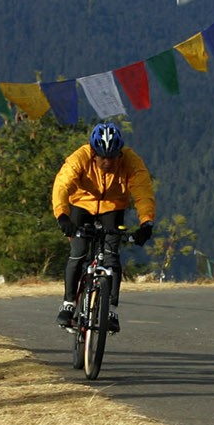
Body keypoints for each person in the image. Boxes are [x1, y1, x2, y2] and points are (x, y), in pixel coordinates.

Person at [52, 121, 156, 333]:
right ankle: (69, 303)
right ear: (93, 153)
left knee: (111, 256)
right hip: (81, 204)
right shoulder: (80, 157)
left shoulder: (131, 161)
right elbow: (62, 185)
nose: (106, 162)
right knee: (78, 252)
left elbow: (143, 192)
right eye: (102, 156)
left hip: (113, 207)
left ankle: (110, 309)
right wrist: (63, 217)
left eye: (112, 156)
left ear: (119, 154)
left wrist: (146, 222)